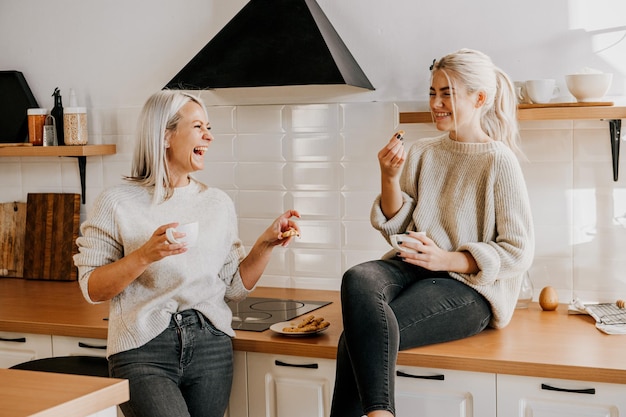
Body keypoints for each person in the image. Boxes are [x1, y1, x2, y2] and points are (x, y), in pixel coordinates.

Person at [330, 49, 535, 417]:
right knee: (357, 276)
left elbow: (518, 250)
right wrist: (389, 178)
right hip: (413, 268)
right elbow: (398, 225)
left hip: (469, 288)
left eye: (446, 94)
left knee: (355, 341)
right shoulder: (424, 151)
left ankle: (379, 412)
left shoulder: (498, 160)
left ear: (480, 99)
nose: (436, 103)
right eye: (432, 92)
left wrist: (448, 259)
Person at [73, 90, 300, 417]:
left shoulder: (217, 203)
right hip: (142, 348)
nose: (209, 135)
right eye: (198, 126)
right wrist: (145, 255)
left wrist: (266, 244)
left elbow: (233, 288)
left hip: (211, 346)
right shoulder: (116, 202)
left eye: (208, 127)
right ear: (165, 135)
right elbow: (92, 288)